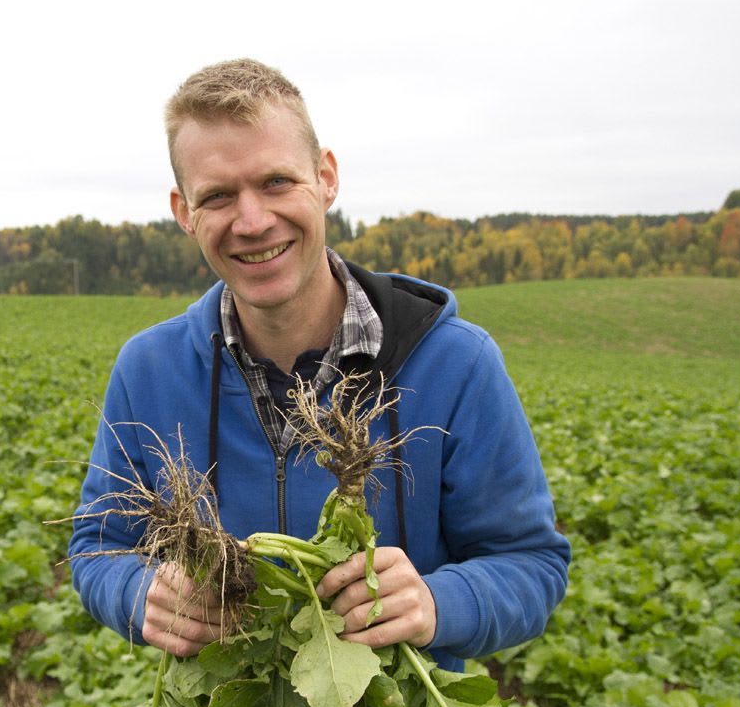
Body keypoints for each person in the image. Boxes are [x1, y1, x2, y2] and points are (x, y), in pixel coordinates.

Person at [68, 58, 569, 672]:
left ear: (326, 178)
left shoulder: (456, 363)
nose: (252, 222)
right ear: (184, 211)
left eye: (277, 182)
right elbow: (97, 549)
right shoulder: (147, 370)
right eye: (219, 196)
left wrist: (438, 603)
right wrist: (139, 593)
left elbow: (531, 565)